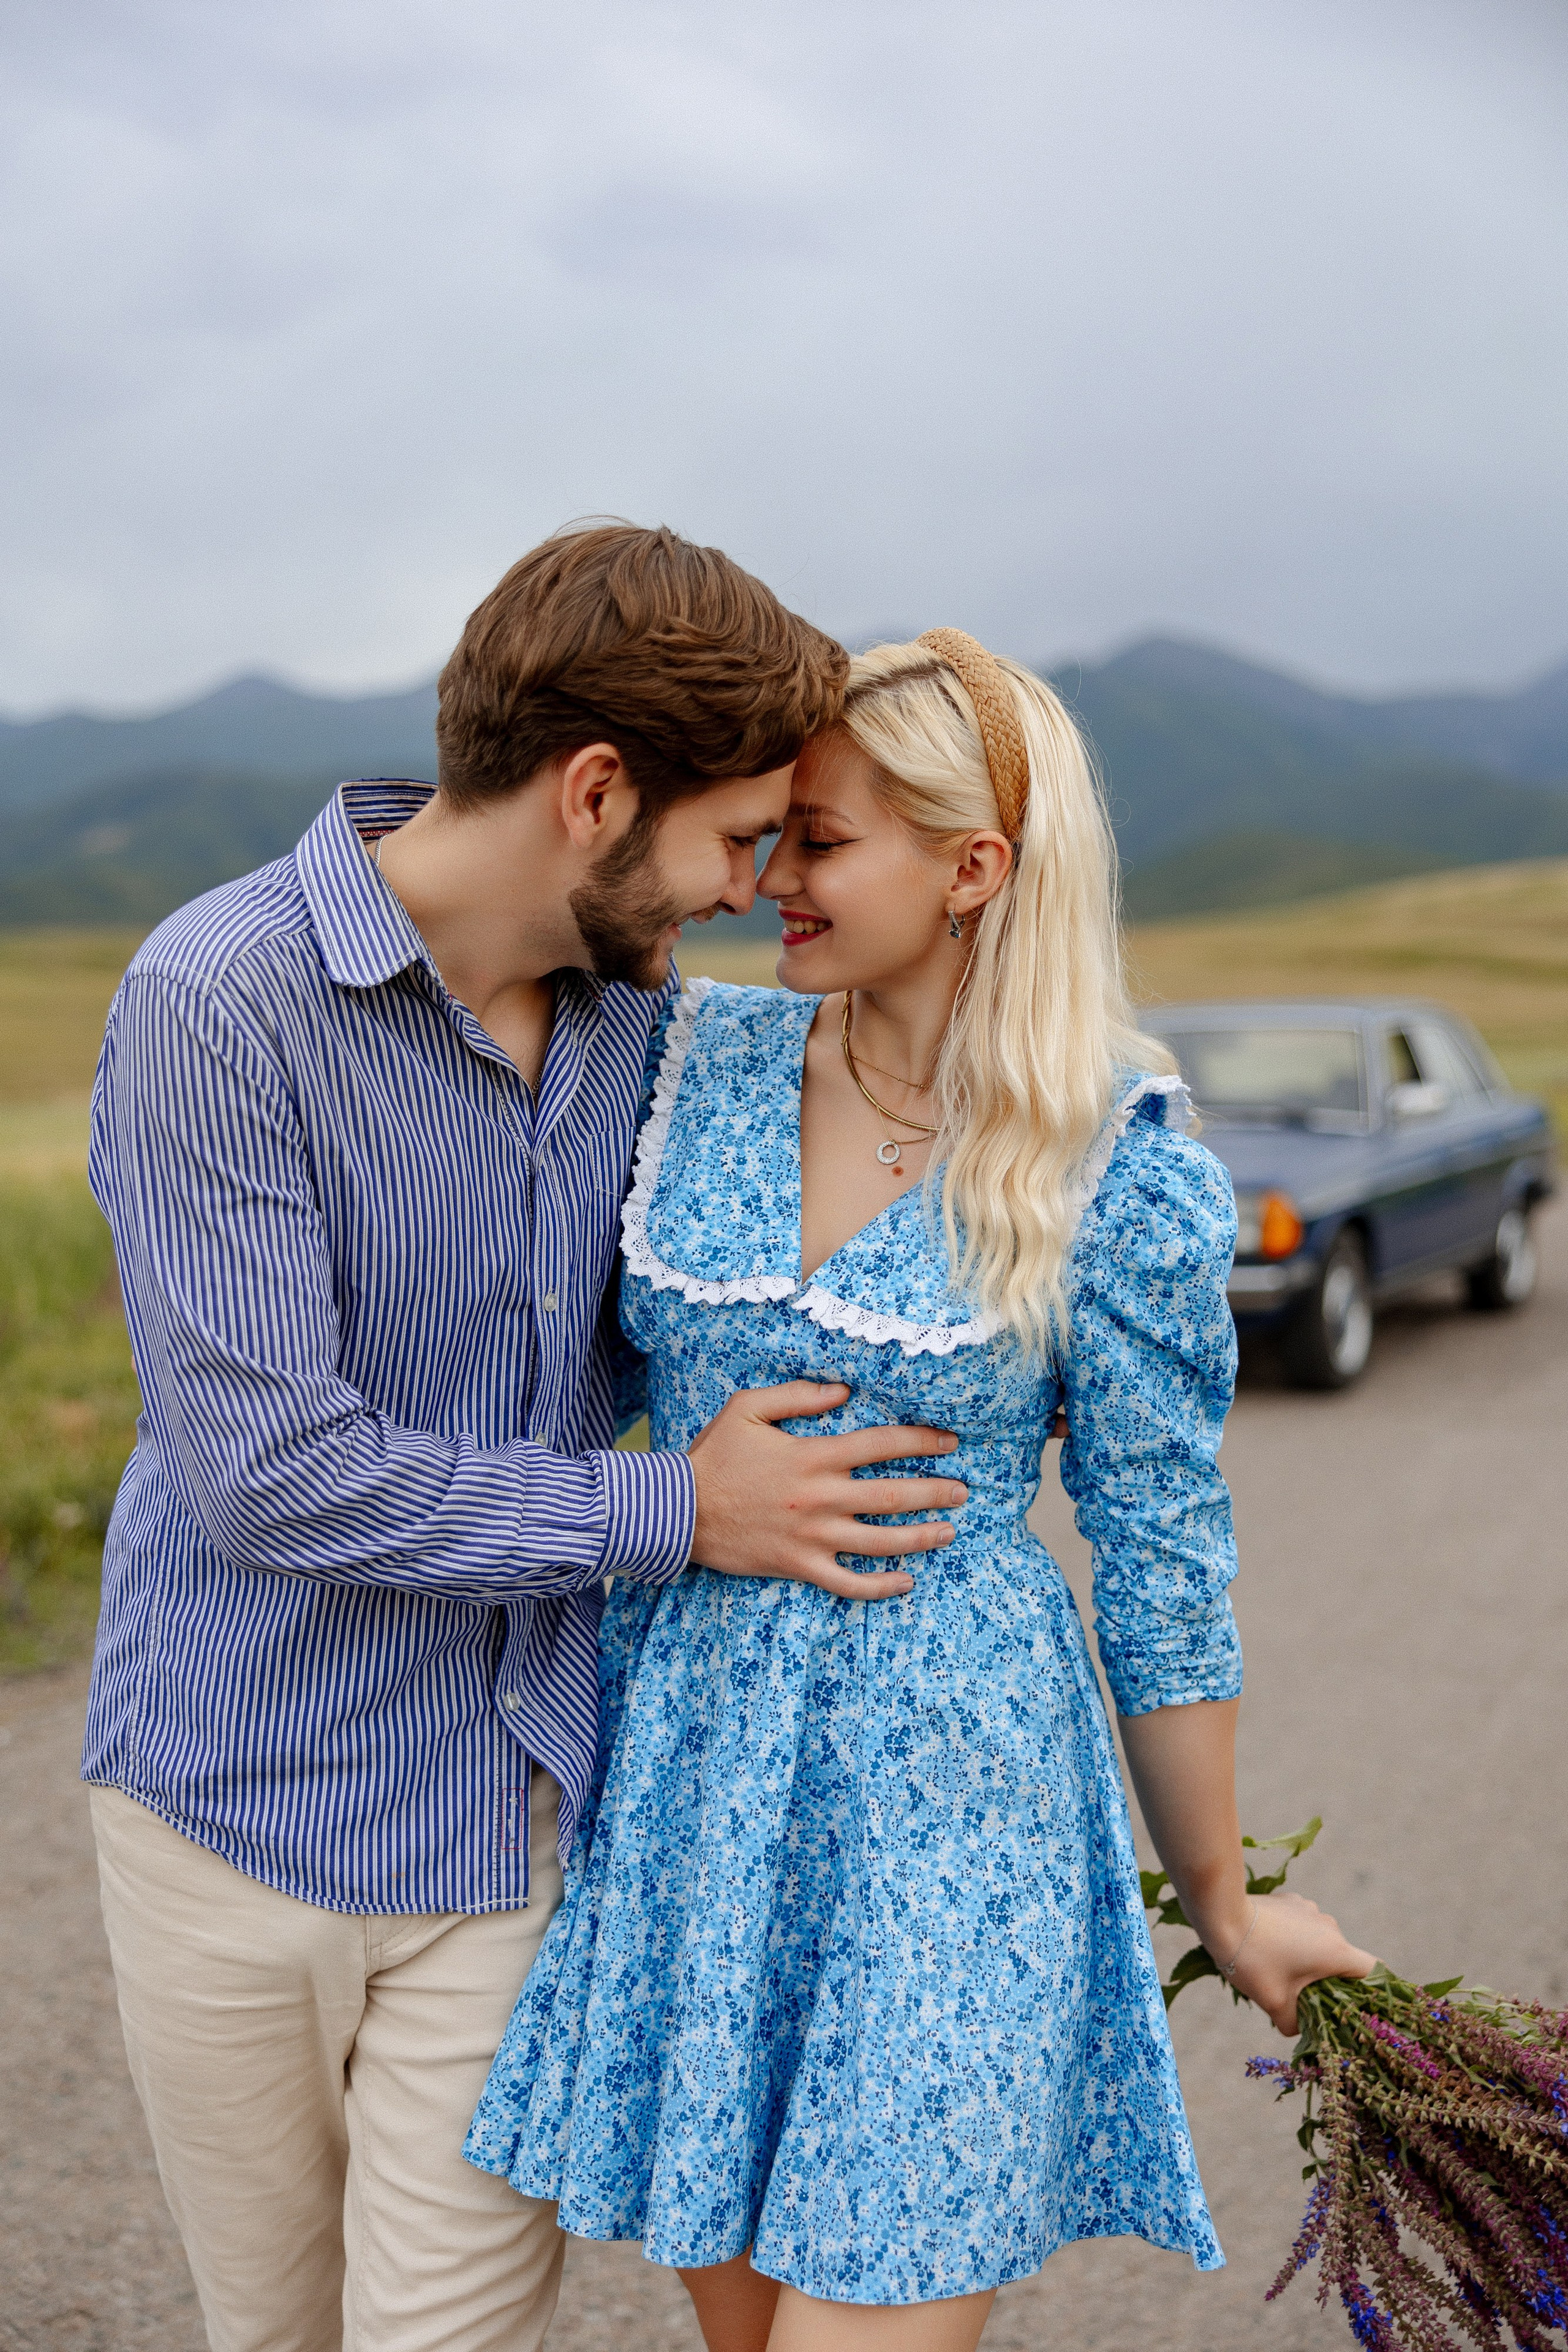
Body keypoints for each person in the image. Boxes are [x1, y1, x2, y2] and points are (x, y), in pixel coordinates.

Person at [83, 527, 963, 2352]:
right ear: (595, 794)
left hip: (517, 1813)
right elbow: (268, 1472)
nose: (750, 892)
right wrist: (674, 1511)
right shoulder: (214, 997)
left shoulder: (655, 1033)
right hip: (229, 1807)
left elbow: (869, 1137)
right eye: (740, 837)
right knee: (277, 2330)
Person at [466, 630, 1375, 2352]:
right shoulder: (682, 1059)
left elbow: (1162, 1558)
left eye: (820, 843)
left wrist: (1223, 1897)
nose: (769, 882)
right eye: (771, 838)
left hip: (960, 1805)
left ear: (973, 870)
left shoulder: (1114, 1161)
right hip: (705, 1792)